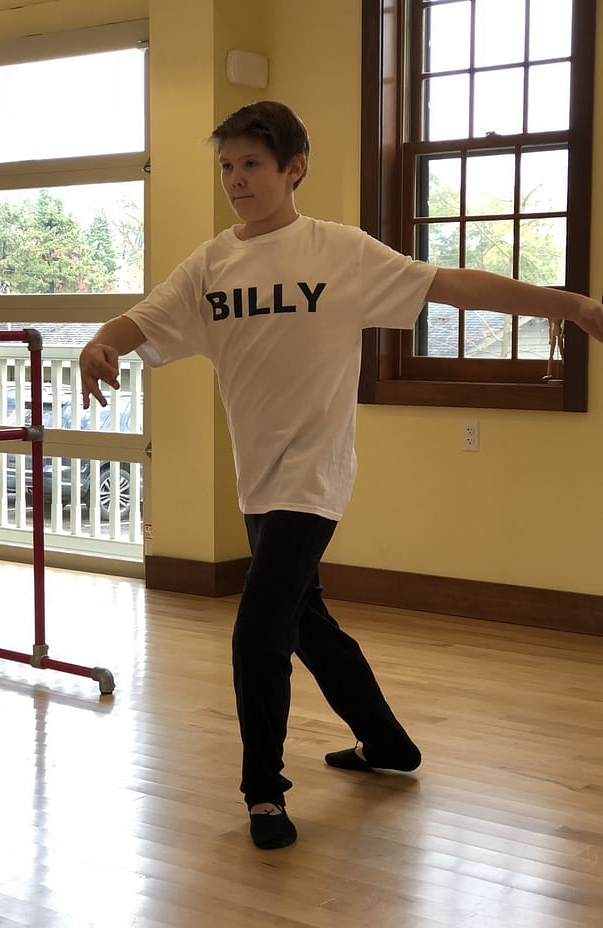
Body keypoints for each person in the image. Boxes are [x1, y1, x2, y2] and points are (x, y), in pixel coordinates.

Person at [79, 101, 603, 850]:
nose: (236, 180)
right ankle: (386, 743)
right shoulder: (211, 265)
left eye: (252, 164)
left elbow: (455, 286)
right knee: (305, 622)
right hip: (258, 479)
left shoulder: (339, 252)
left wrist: (570, 305)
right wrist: (101, 343)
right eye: (226, 166)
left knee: (259, 627)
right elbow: (142, 320)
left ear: (294, 168)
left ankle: (264, 792)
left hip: (315, 475)